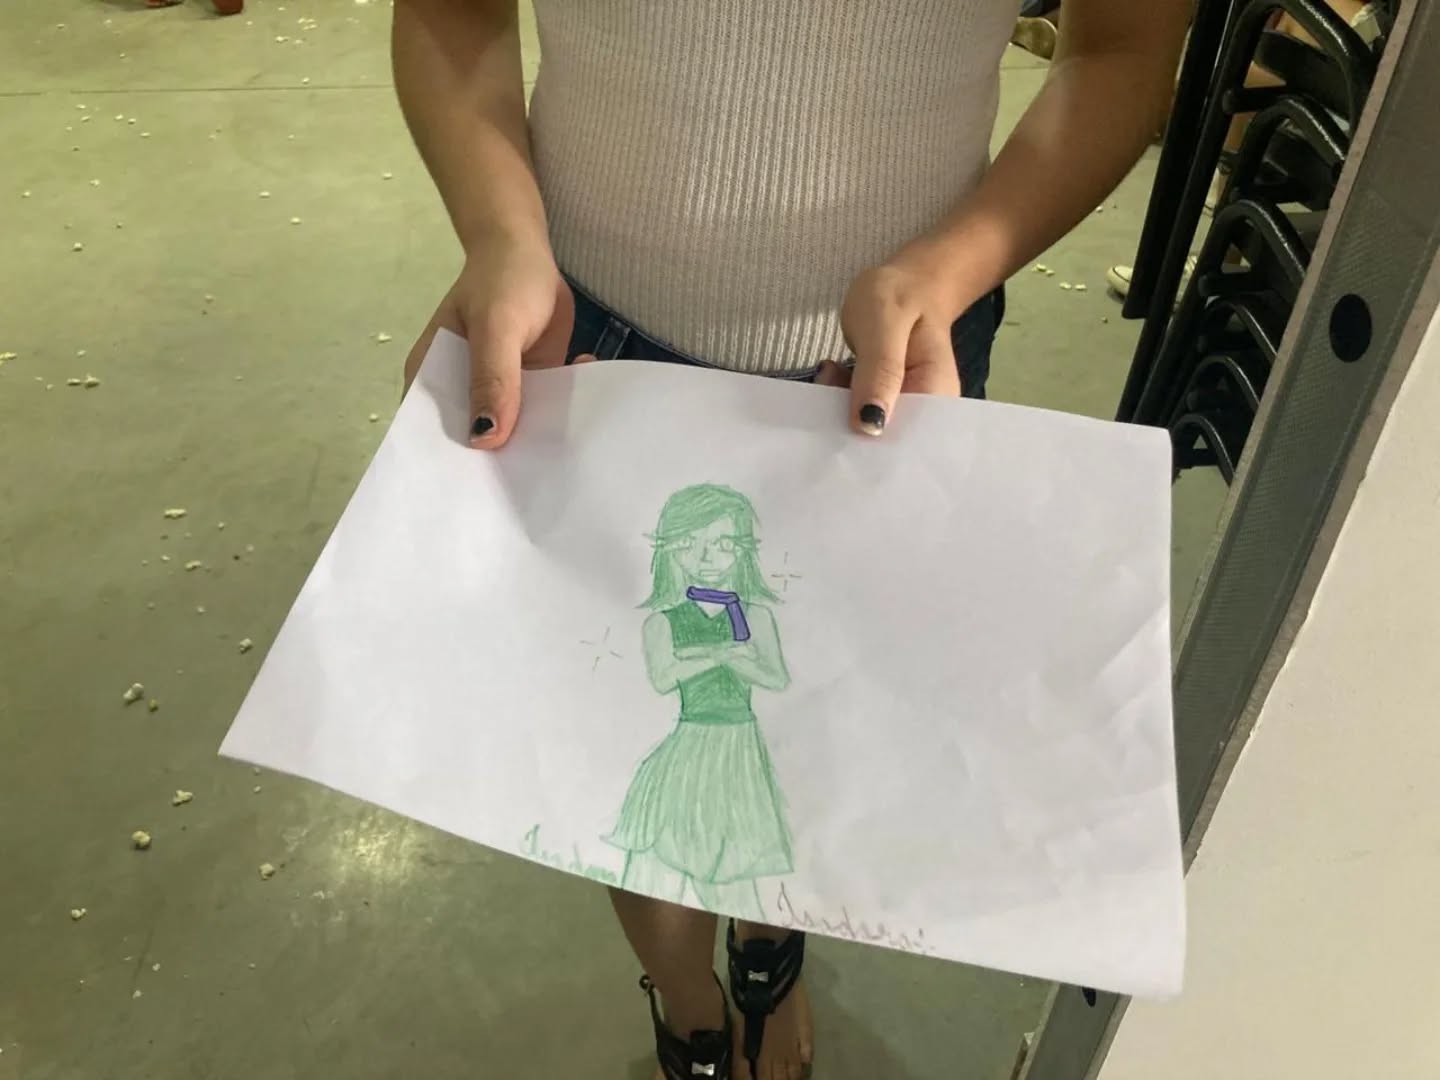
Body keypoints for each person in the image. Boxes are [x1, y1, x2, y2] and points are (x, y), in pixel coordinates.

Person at [393, 2, 1187, 1078]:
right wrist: (501, 233)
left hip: (898, 355)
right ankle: (687, 1002)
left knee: (815, 737)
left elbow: (1124, 46)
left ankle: (770, 949)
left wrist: (951, 269)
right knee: (616, 771)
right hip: (582, 332)